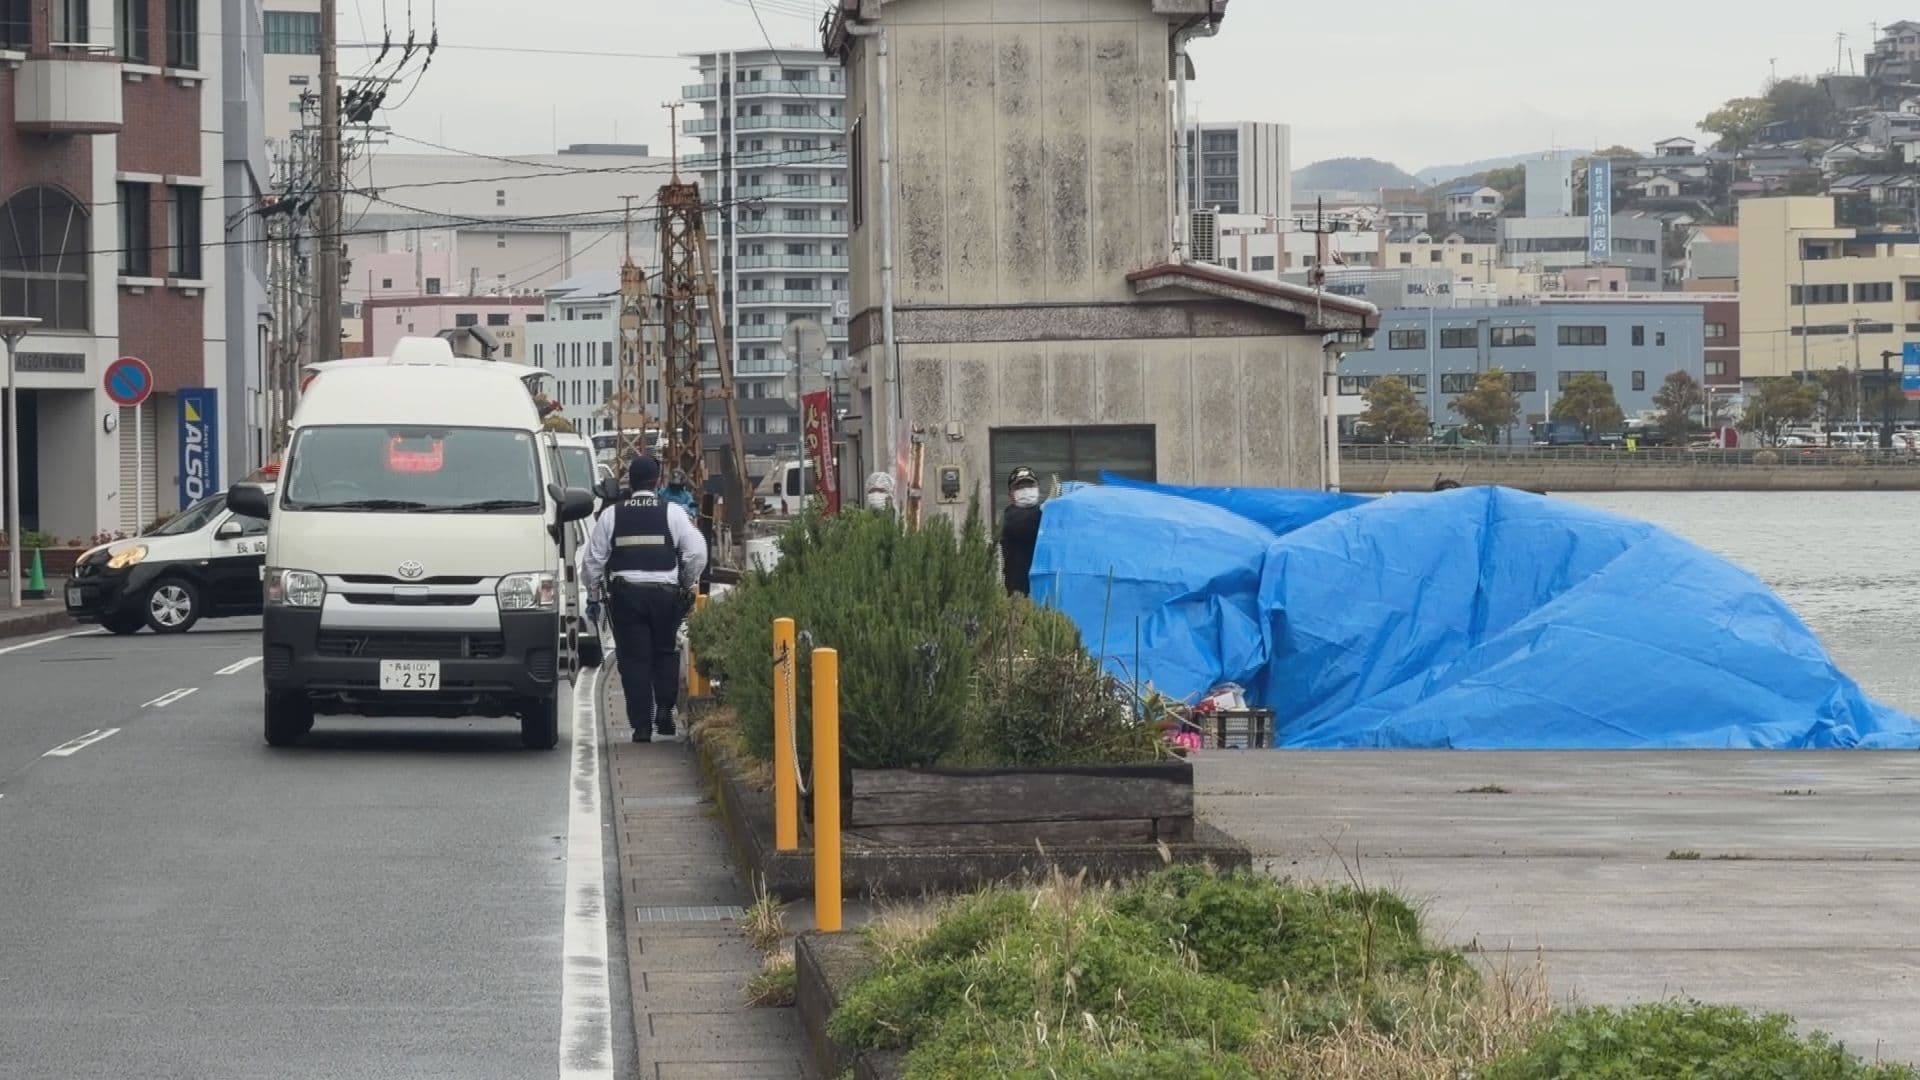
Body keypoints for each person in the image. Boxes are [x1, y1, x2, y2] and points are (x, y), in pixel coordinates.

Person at [583, 455, 708, 742]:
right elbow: (697, 553)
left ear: (631, 480)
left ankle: (641, 726)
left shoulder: (612, 515)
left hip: (627, 597)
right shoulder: (674, 512)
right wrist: (685, 584)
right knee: (665, 652)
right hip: (665, 596)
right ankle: (664, 711)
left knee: (634, 659)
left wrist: (594, 596)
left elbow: (593, 561)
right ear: (657, 482)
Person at [1000, 467, 1043, 596]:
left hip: (1044, 582)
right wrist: (1046, 511)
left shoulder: (1043, 511)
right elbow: (1025, 525)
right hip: (1021, 589)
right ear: (1010, 495)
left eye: (1030, 485)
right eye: (1019, 487)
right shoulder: (1010, 516)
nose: (1025, 490)